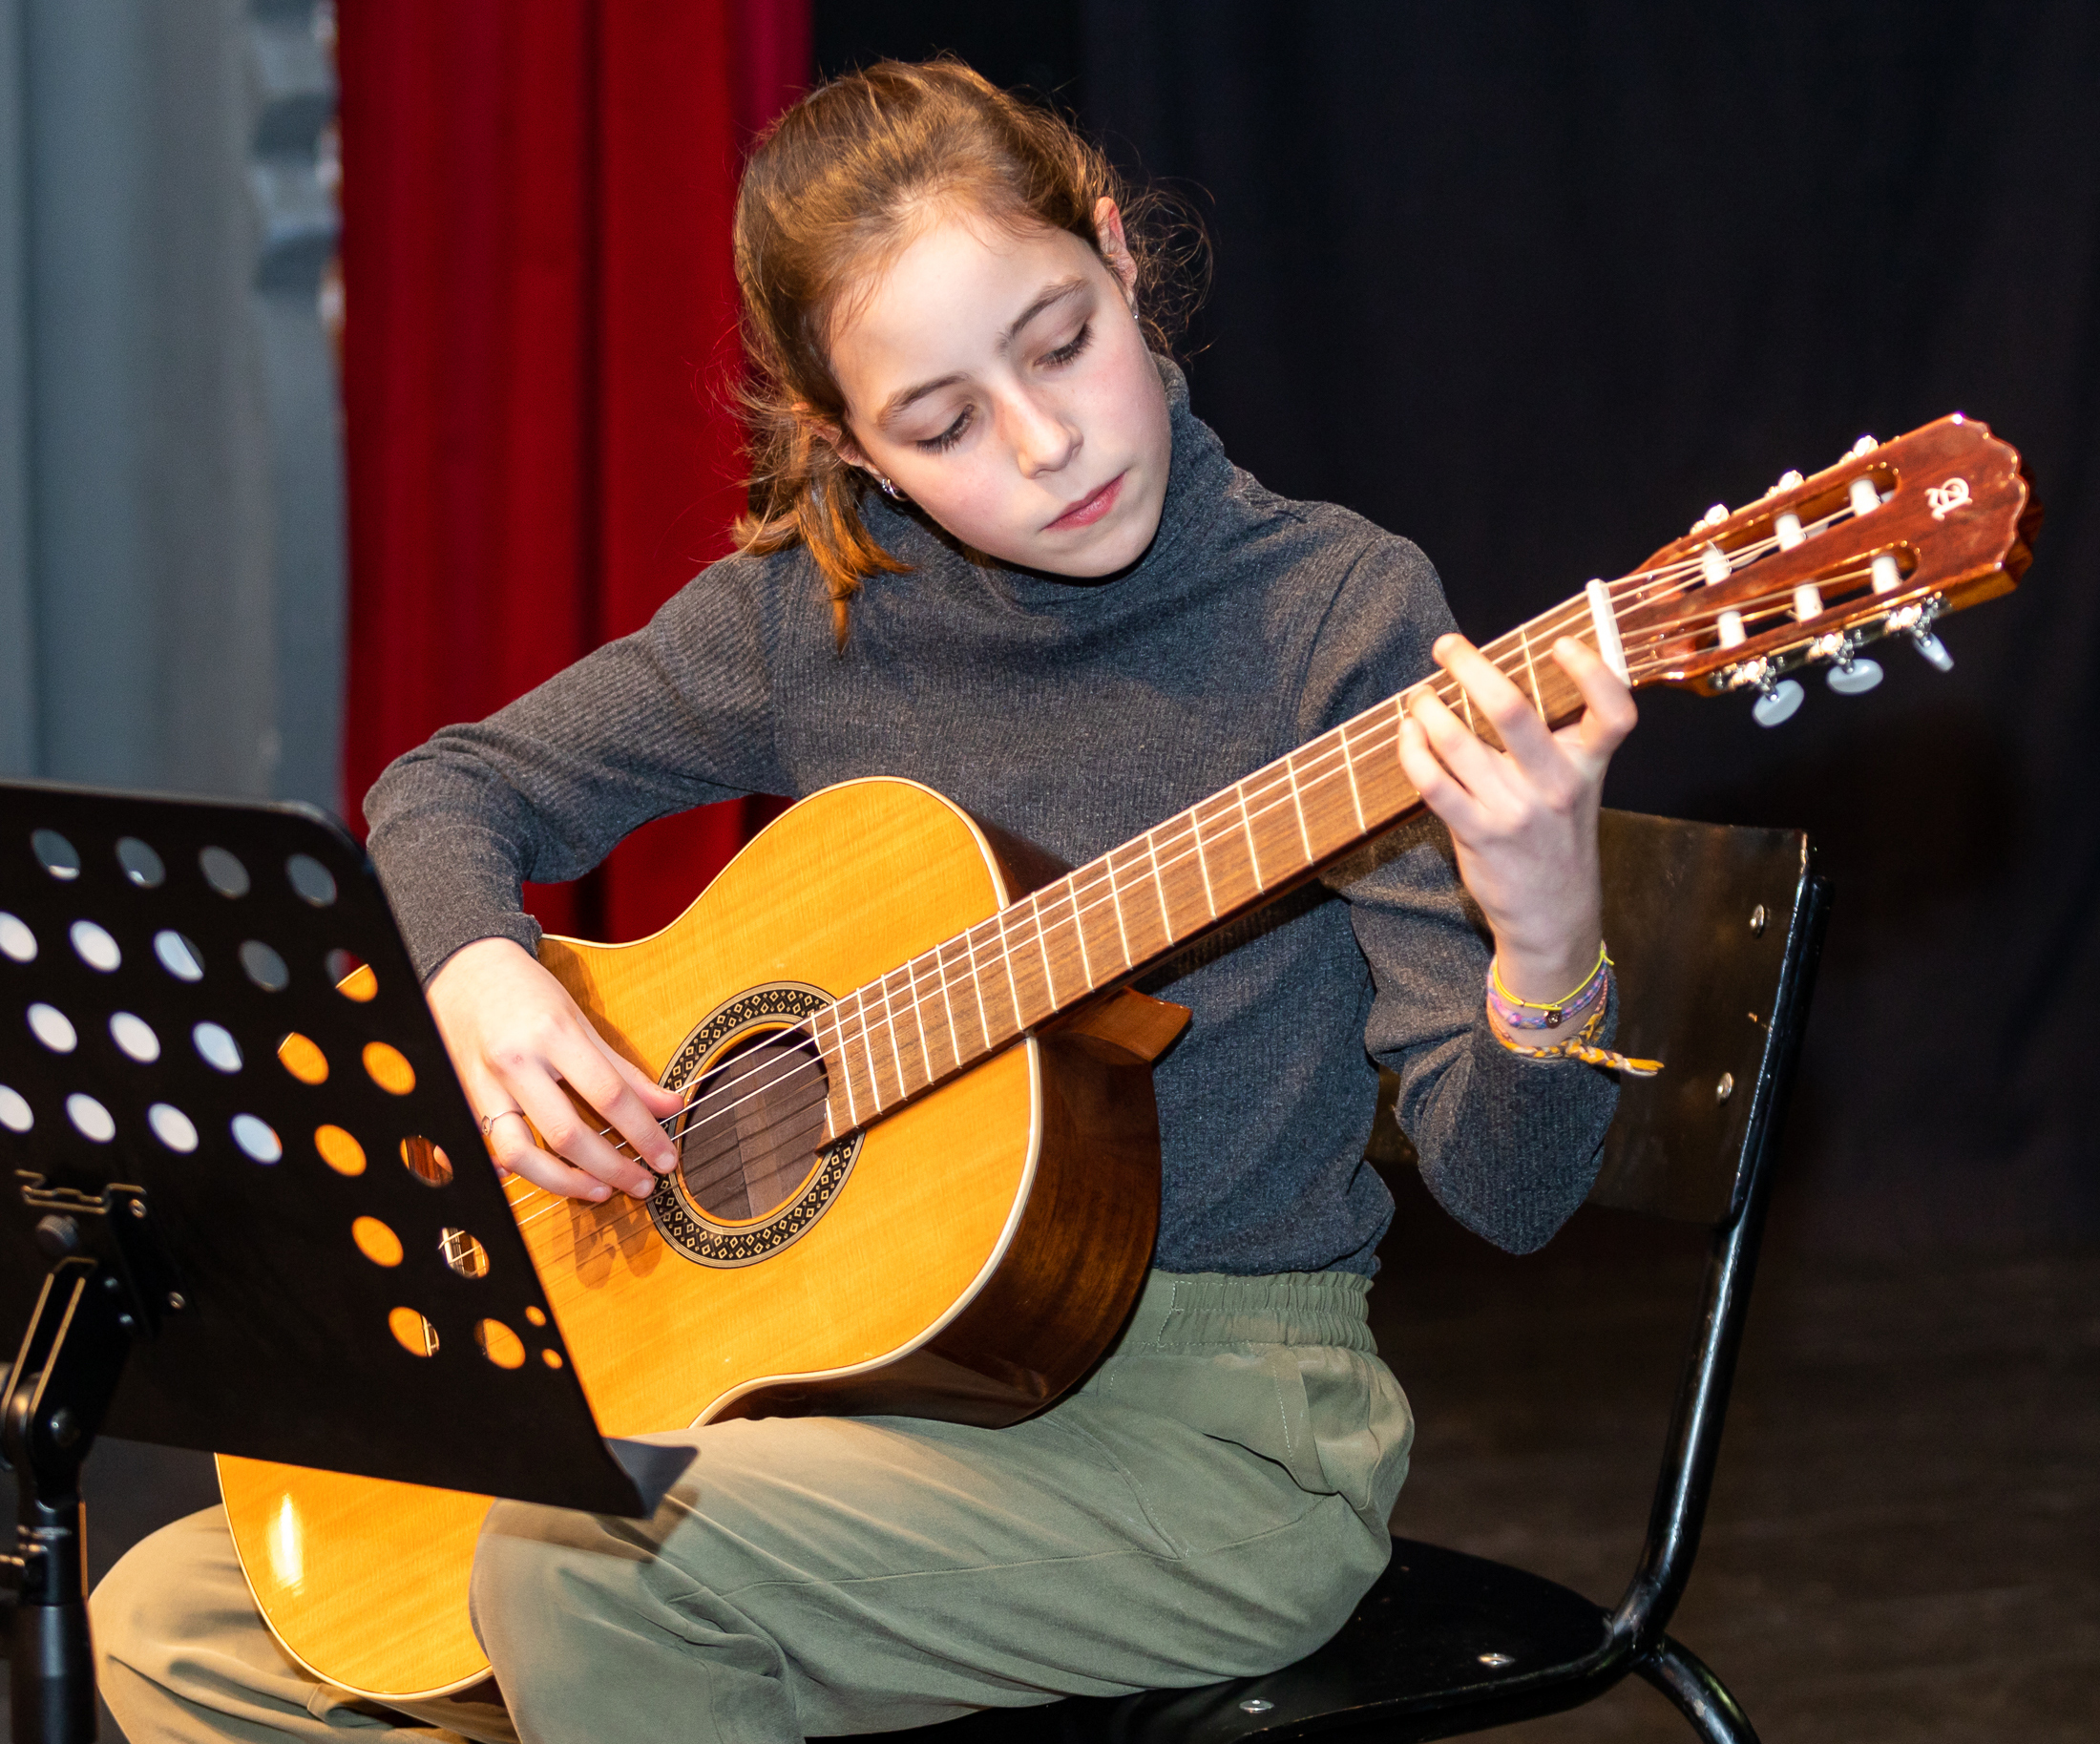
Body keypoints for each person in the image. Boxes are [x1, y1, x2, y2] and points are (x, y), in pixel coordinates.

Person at [93, 58, 1638, 1744]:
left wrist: (1549, 938)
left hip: (1209, 1441)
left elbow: (1515, 1194)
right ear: (852, 448)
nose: (1047, 444)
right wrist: (477, 965)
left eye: (1060, 342)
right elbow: (449, 786)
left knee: (582, 1566)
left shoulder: (1338, 618)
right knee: (171, 1619)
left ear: (1120, 260)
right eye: (943, 420)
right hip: (827, 1411)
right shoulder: (813, 615)